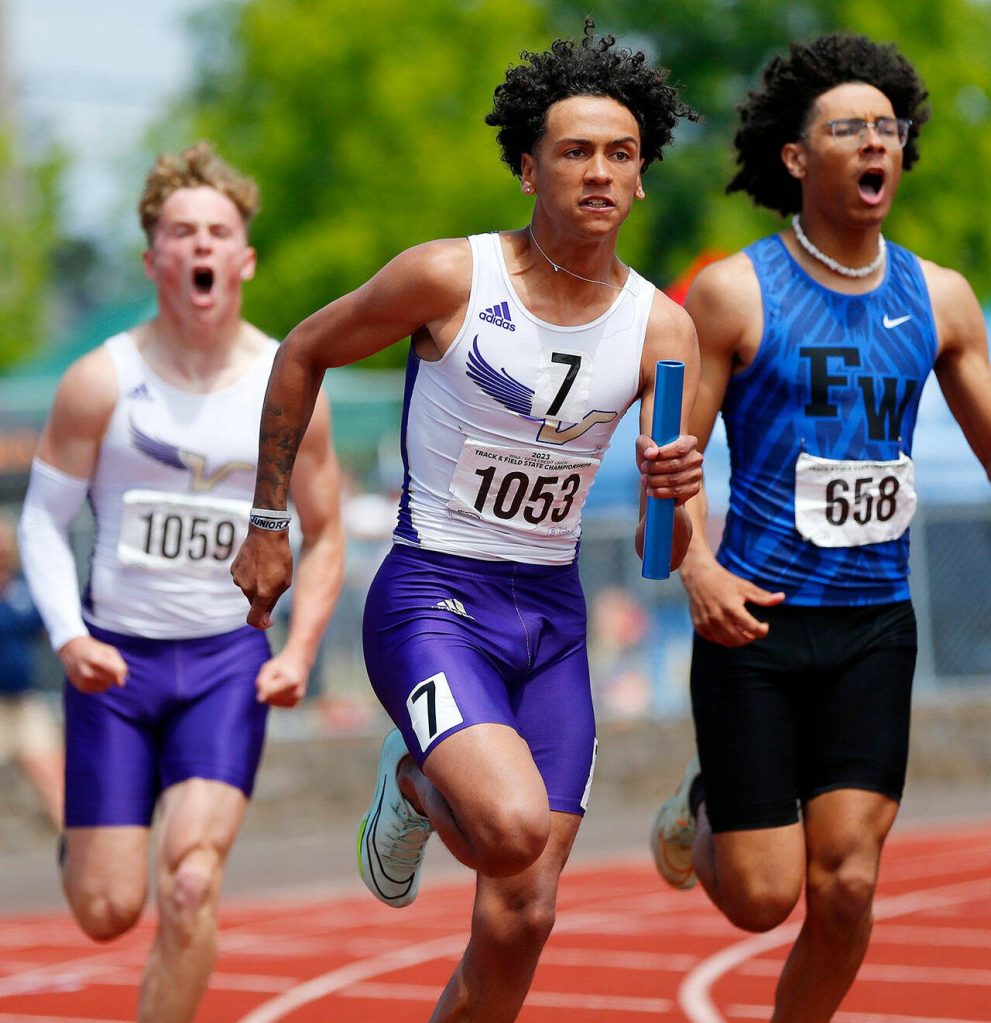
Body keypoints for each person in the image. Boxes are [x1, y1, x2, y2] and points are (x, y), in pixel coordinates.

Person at [232, 19, 702, 1022]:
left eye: (620, 154)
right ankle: (409, 782)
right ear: (527, 168)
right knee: (508, 829)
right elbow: (301, 351)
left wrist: (675, 486)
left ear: (642, 178)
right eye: (574, 151)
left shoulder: (664, 330)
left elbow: (673, 539)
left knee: (524, 909)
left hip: (551, 615)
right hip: (432, 597)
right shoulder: (450, 278)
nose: (599, 173)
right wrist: (268, 517)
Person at [650, 32, 991, 1022]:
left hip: (873, 624)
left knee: (845, 887)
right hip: (752, 619)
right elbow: (663, 460)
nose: (875, 143)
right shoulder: (728, 292)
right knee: (762, 899)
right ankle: (704, 805)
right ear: (797, 158)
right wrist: (695, 571)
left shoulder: (939, 299)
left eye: (887, 129)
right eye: (849, 128)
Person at [17, 142, 344, 1023]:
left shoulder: (287, 383)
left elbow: (326, 533)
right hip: (115, 666)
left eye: (217, 231)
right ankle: (87, 848)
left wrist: (301, 648)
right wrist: (69, 635)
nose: (199, 245)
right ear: (153, 256)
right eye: (179, 231)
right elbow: (42, 521)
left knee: (192, 881)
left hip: (224, 661)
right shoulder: (99, 382)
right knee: (107, 909)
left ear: (244, 258)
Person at [0, 513, 64, 828]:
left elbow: (45, 628)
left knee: (54, 777)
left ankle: (74, 846)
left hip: (24, 702)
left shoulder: (22, 591)